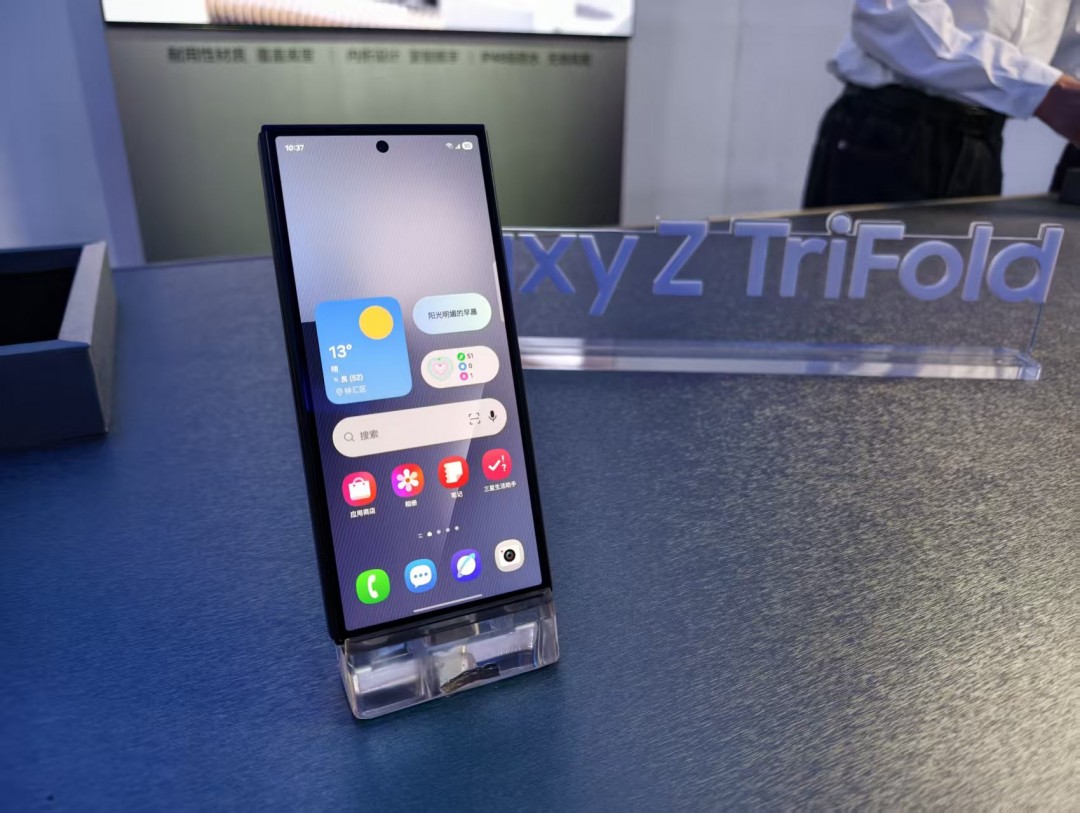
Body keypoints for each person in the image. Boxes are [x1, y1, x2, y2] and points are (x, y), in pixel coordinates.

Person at [804, 0, 1080, 208]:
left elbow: (1071, 46)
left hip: (983, 144)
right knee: (845, 270)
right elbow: (886, 14)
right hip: (888, 131)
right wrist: (1037, 87)